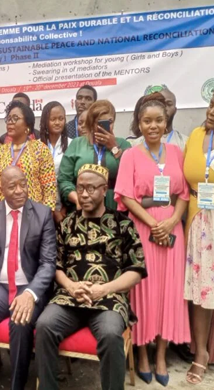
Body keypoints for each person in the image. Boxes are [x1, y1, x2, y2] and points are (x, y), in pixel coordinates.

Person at [36, 164, 147, 390]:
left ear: (104, 189)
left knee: (109, 333)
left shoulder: (122, 224)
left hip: (109, 298)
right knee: (45, 325)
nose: (84, 194)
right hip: (70, 296)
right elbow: (55, 265)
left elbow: (136, 271)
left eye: (91, 188)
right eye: (80, 188)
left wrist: (104, 289)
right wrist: (70, 286)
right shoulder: (67, 224)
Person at [115, 95, 190, 386]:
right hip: (143, 231)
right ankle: (142, 353)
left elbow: (183, 194)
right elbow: (125, 195)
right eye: (147, 121)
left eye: (158, 120)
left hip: (172, 232)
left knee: (167, 293)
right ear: (139, 123)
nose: (153, 125)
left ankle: (161, 355)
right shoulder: (131, 154)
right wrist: (153, 224)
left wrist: (171, 222)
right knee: (144, 291)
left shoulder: (175, 151)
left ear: (166, 121)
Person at [0, 166, 56, 390]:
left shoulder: (43, 214)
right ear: (1, 189)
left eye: (23, 184)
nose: (19, 190)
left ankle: (17, 385)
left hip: (29, 286)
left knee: (20, 321)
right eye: (12, 186)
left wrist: (30, 293)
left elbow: (48, 264)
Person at [183, 93, 214, 384]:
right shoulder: (195, 134)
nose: (213, 111)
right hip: (197, 219)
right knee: (201, 290)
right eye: (213, 104)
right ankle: (201, 352)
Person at [58, 100, 131, 212]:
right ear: (91, 123)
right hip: (82, 204)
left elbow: (130, 176)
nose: (105, 127)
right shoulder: (77, 144)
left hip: (114, 206)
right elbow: (64, 179)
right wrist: (78, 199)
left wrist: (114, 147)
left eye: (109, 122)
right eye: (99, 123)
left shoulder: (123, 144)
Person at [0, 100, 57, 210]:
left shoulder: (40, 149)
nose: (10, 122)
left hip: (33, 215)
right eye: (8, 119)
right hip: (4, 216)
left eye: (15, 118)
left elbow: (49, 190)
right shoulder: (0, 152)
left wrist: (44, 218)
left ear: (27, 124)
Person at [39, 101, 73, 223]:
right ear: (45, 121)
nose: (57, 122)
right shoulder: (37, 146)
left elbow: (73, 178)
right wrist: (52, 211)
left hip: (66, 207)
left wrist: (63, 209)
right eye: (53, 119)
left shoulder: (72, 144)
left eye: (61, 118)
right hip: (41, 208)